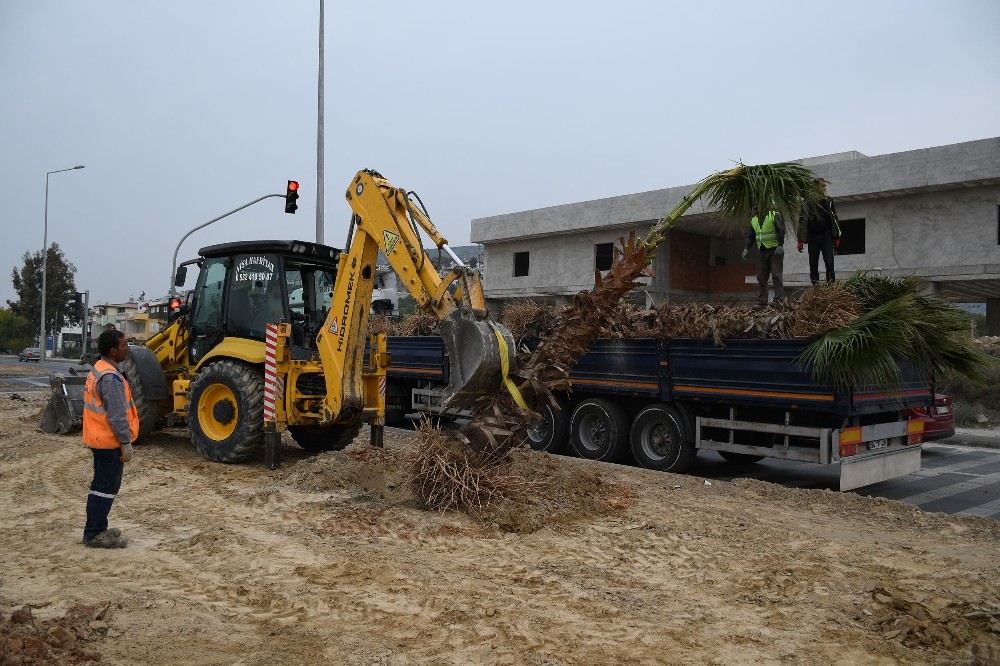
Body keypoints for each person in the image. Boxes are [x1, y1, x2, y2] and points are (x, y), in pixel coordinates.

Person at [81, 329, 138, 548]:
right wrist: (125, 442)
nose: (128, 347)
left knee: (100, 486)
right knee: (106, 487)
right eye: (124, 344)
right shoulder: (110, 378)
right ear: (113, 351)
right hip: (108, 441)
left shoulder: (100, 369)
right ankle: (95, 533)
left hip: (99, 438)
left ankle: (96, 528)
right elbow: (116, 415)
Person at [797, 178, 841, 284]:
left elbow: (835, 219)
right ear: (815, 187)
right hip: (813, 237)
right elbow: (801, 221)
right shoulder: (807, 202)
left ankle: (830, 287)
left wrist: (837, 236)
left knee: (829, 263)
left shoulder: (829, 201)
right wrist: (800, 240)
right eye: (823, 186)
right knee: (813, 264)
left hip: (827, 236)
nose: (825, 188)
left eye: (825, 185)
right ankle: (816, 288)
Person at [742, 206, 786, 306]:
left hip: (775, 251)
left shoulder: (774, 215)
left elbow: (781, 230)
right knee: (761, 277)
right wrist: (746, 248)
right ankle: (762, 302)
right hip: (762, 252)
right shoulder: (754, 220)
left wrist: (780, 245)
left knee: (776, 275)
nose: (755, 208)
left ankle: (778, 300)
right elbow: (751, 236)